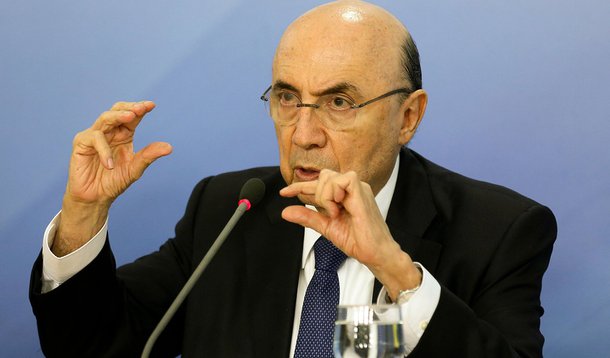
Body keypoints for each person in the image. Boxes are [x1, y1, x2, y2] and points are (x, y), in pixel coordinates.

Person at [29, 1, 556, 357]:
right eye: (287, 98)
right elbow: (95, 345)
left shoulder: (500, 231)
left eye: (339, 102)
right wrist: (83, 213)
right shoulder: (229, 209)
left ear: (408, 117)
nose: (303, 134)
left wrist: (398, 273)